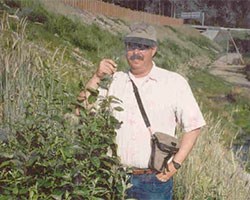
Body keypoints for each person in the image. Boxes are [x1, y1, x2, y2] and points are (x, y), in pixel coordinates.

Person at [77, 22, 206, 200]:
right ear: (126, 49)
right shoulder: (115, 81)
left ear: (154, 50)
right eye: (131, 46)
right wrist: (96, 77)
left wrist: (175, 165)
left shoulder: (173, 82)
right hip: (114, 177)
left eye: (143, 47)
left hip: (154, 182)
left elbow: (194, 126)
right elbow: (81, 110)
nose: (136, 52)